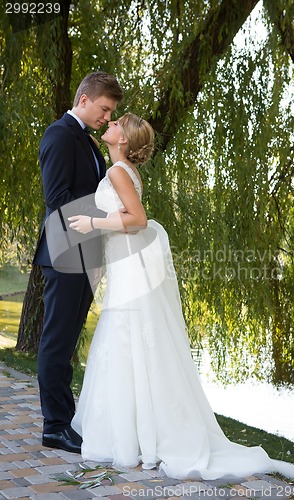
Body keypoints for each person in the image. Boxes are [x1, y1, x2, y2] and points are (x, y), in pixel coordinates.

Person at [68, 113, 294, 488]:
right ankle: (137, 434)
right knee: (130, 344)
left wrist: (92, 224)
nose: (108, 125)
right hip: (126, 265)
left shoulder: (117, 173)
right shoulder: (122, 170)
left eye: (115, 124)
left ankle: (134, 438)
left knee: (128, 340)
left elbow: (138, 219)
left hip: (129, 267)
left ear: (123, 139)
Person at [33, 72, 124, 454]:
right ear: (84, 99)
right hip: (65, 252)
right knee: (56, 342)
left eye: (110, 113)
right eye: (104, 109)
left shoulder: (87, 142)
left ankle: (64, 419)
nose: (106, 118)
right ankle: (54, 426)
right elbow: (58, 198)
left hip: (85, 254)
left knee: (67, 339)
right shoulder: (59, 135)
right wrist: (104, 213)